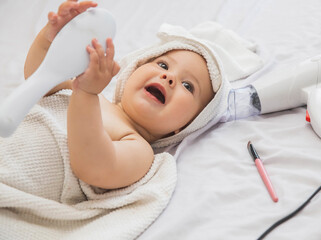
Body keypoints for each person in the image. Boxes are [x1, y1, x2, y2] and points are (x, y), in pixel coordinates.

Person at [23, 0, 217, 190]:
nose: (169, 77)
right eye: (163, 65)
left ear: (186, 125)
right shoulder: (85, 92)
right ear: (133, 70)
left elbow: (94, 168)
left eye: (188, 85)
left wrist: (86, 94)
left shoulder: (138, 149)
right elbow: (38, 80)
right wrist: (50, 39)